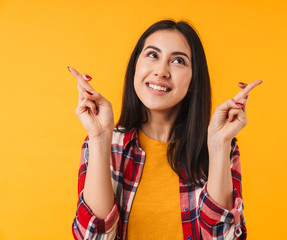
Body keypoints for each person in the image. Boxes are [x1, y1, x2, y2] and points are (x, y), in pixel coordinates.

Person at [69, 19, 261, 240]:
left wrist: (219, 145)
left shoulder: (220, 149)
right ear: (135, 66)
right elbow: (93, 237)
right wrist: (100, 138)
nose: (161, 71)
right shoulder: (106, 144)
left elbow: (225, 238)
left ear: (193, 79)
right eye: (152, 55)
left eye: (178, 61)